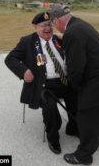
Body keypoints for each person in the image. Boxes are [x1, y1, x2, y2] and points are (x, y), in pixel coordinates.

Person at [50, 5, 99, 165]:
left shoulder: (71, 33)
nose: (52, 26)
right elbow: (81, 43)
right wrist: (64, 38)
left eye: (52, 23)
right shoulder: (79, 25)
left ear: (56, 20)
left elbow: (76, 68)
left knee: (85, 114)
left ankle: (83, 155)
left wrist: (75, 87)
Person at [5, 12, 78, 155]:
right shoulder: (28, 41)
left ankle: (73, 128)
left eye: (49, 24)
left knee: (76, 97)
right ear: (35, 27)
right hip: (43, 85)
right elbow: (10, 59)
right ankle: (53, 139)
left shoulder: (58, 39)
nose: (47, 28)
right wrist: (24, 71)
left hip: (63, 80)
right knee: (50, 108)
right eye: (43, 25)